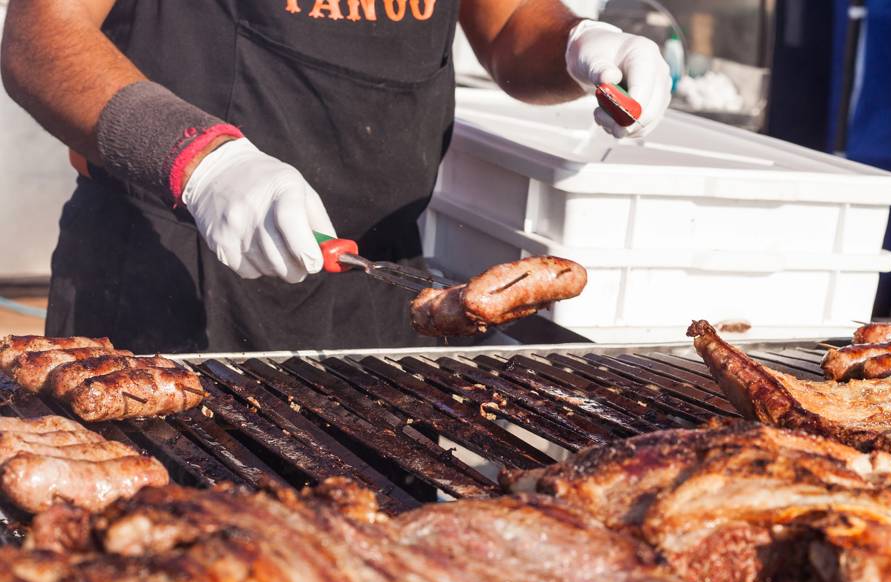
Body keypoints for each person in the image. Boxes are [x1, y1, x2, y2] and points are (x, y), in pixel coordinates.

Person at [0, 0, 671, 353]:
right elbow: (39, 35)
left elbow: (514, 23)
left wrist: (584, 46)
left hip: (377, 294)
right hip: (165, 282)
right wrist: (201, 161)